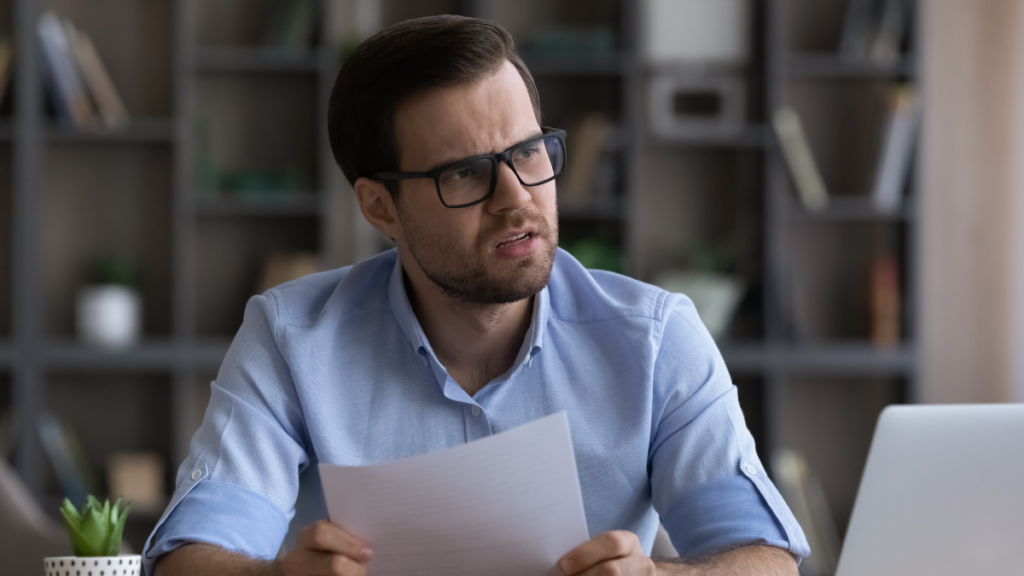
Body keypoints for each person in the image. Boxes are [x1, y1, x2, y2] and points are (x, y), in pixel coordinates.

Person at [146, 15, 809, 576]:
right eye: (465, 173)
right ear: (381, 207)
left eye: (529, 152)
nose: (518, 199)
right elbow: (190, 554)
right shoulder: (293, 338)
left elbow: (764, 556)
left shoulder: (657, 337)